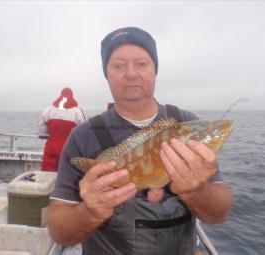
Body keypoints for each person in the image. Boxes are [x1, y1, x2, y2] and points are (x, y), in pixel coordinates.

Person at [46, 27, 233, 255]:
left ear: (155, 70)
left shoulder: (187, 123)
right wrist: (90, 211)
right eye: (118, 65)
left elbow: (219, 213)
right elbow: (58, 231)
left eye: (142, 64)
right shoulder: (82, 136)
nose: (131, 74)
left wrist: (196, 191)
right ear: (107, 74)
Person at [39, 87, 86, 172]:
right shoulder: (77, 111)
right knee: (67, 174)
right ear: (72, 96)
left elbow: (42, 129)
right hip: (69, 148)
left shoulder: (48, 110)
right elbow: (83, 132)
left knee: (48, 173)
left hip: (51, 147)